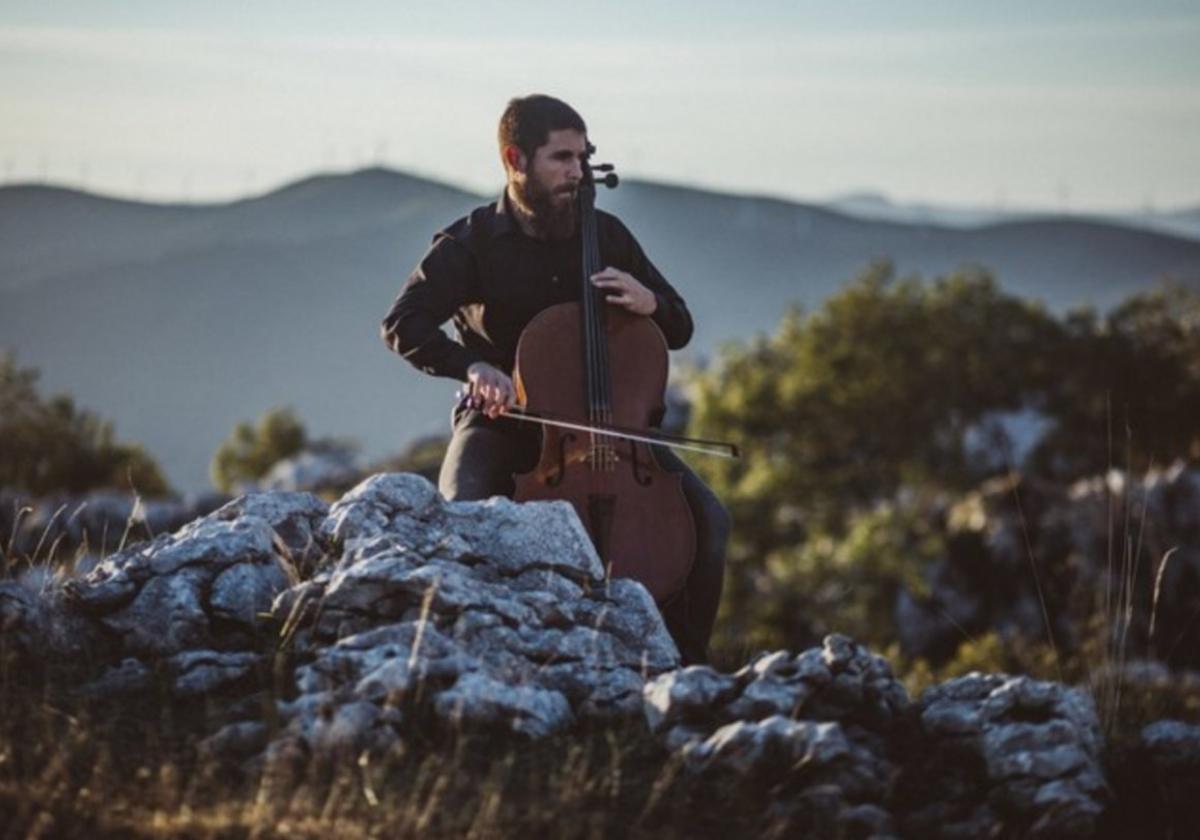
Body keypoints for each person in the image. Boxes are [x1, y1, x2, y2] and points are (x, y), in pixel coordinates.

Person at [380, 94, 729, 665]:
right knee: (460, 515)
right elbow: (402, 323)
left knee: (709, 522)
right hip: (506, 420)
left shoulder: (607, 235)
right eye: (561, 158)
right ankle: (485, 662)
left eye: (583, 157)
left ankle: (683, 670)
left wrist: (650, 302)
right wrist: (471, 366)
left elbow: (681, 324)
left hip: (612, 426)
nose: (578, 172)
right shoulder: (469, 244)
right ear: (515, 160)